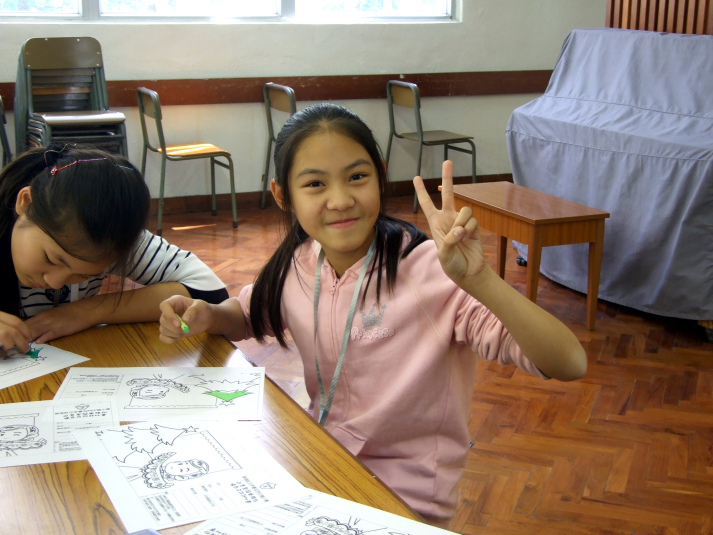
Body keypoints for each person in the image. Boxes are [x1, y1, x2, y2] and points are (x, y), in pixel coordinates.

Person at [158, 103, 587, 525]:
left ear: (380, 176)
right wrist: (210, 315)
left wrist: (481, 281)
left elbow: (569, 363)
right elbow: (251, 314)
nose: (341, 200)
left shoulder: (432, 273)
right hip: (321, 463)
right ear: (282, 195)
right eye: (315, 184)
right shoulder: (299, 262)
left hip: (407, 497)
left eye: (357, 177)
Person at [0, 143, 228, 353]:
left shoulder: (110, 238)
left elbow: (211, 293)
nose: (56, 282)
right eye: (51, 259)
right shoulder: (60, 219)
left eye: (85, 275)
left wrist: (89, 311)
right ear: (26, 203)